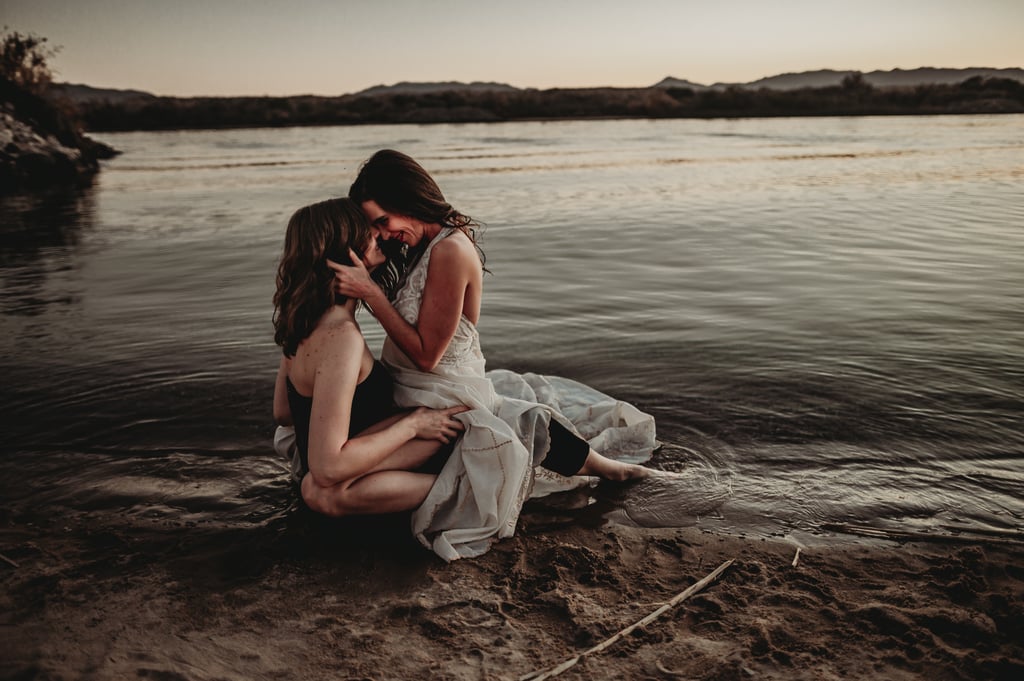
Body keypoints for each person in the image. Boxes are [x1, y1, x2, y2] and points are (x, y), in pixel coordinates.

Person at [330, 150, 659, 561]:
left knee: (502, 426)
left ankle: (611, 470)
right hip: (409, 390)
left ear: (407, 199)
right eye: (374, 226)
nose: (383, 234)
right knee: (336, 467)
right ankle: (602, 468)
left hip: (442, 393)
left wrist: (372, 295)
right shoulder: (418, 245)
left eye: (384, 221)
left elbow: (428, 355)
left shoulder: (449, 250)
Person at [271, 197, 468, 518]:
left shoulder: (301, 322)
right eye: (367, 232)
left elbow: (283, 413)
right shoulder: (341, 337)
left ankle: (473, 484)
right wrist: (412, 426)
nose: (381, 236)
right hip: (379, 456)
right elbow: (328, 466)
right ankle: (472, 490)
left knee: (317, 489)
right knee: (320, 490)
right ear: (341, 246)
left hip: (394, 454)